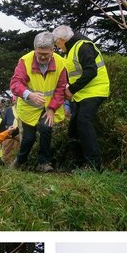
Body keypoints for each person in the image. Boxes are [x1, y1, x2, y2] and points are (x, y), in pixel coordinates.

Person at [52, 25, 110, 171]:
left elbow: (91, 71)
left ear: (61, 40)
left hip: (95, 91)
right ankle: (77, 162)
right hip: (83, 94)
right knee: (73, 128)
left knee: (83, 122)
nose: (57, 47)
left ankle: (94, 165)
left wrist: (71, 89)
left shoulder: (82, 46)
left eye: (57, 43)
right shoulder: (71, 50)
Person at [9, 31, 67, 172]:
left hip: (49, 106)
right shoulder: (25, 61)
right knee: (29, 138)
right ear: (35, 49)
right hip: (29, 107)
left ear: (53, 50)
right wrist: (29, 95)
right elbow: (15, 84)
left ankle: (44, 163)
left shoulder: (61, 63)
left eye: (46, 54)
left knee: (46, 128)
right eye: (39, 53)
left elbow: (60, 89)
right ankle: (20, 161)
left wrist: (52, 108)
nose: (42, 56)